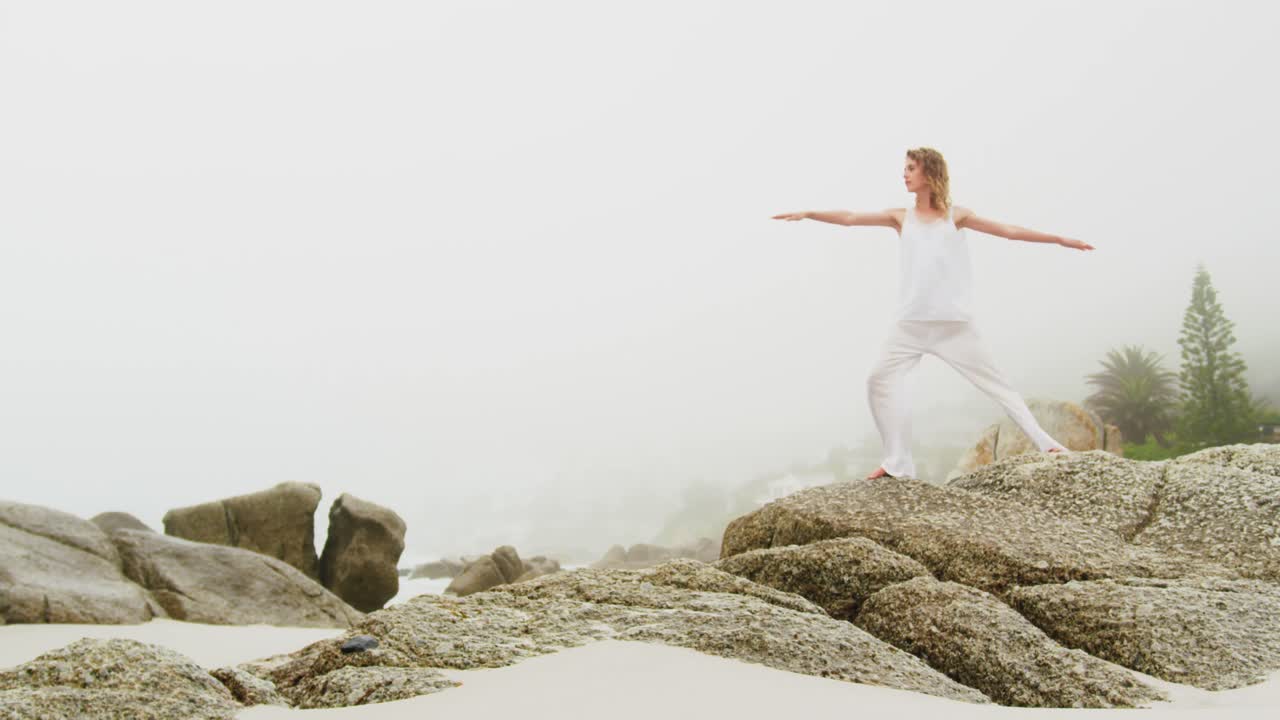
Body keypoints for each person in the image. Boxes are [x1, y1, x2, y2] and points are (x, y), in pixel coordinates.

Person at [771, 147, 1095, 480]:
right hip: (909, 325)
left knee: (998, 385)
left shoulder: (957, 216)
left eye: (911, 168)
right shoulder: (900, 217)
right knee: (877, 381)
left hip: (953, 326)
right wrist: (810, 213)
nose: (904, 174)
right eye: (905, 168)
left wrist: (1059, 239)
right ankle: (898, 461)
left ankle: (1047, 443)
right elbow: (851, 218)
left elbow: (1009, 231)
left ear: (930, 173)